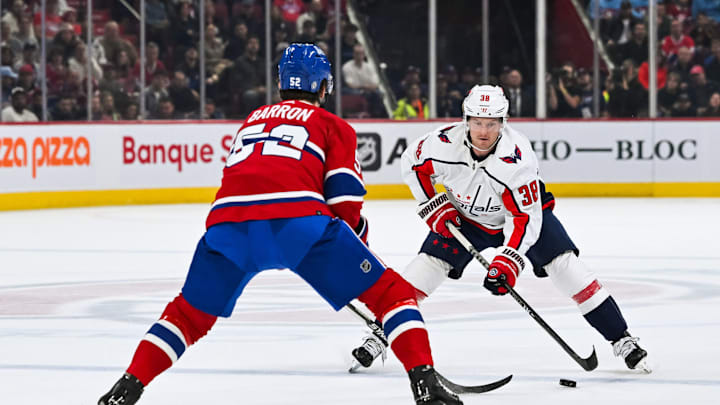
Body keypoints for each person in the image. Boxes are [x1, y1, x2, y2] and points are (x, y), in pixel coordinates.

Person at [97, 43, 461, 405]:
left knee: (188, 315)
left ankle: (129, 385)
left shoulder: (253, 119)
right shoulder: (332, 125)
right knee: (391, 295)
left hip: (227, 226)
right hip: (299, 225)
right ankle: (425, 386)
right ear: (323, 86)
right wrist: (355, 246)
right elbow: (344, 202)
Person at [349, 85, 650, 375]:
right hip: (465, 218)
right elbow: (412, 165)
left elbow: (524, 219)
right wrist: (433, 205)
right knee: (426, 267)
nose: (483, 131)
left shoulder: (516, 159)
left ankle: (621, 338)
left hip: (519, 218)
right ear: (465, 121)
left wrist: (509, 260)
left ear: (503, 123)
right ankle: (380, 334)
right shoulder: (441, 144)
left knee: (566, 266)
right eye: (477, 122)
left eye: (491, 124)